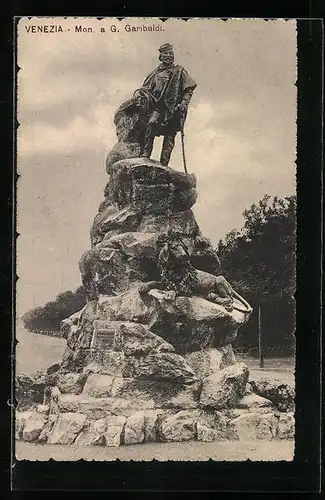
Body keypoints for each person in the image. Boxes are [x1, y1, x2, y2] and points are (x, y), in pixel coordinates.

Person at [133, 43, 197, 166]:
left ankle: (164, 163)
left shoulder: (179, 71)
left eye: (170, 53)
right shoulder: (155, 73)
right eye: (166, 54)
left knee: (170, 135)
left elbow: (189, 89)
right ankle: (146, 154)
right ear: (161, 56)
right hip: (158, 107)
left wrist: (184, 102)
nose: (169, 56)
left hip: (173, 108)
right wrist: (138, 93)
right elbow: (145, 89)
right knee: (151, 124)